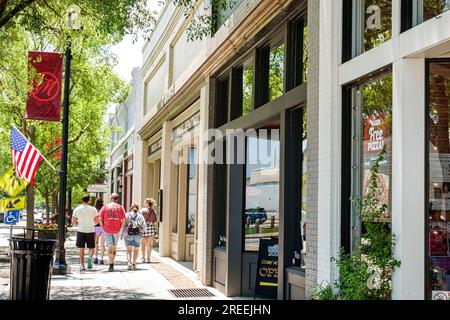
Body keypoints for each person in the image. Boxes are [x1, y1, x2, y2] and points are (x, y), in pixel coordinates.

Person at [99, 193, 126, 272]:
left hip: (107, 229)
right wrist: (120, 227)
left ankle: (111, 264)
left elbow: (100, 218)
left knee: (110, 246)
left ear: (110, 198)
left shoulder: (105, 207)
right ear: (117, 199)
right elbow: (124, 220)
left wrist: (102, 227)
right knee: (114, 246)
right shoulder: (120, 207)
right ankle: (112, 263)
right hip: (116, 230)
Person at [72, 195, 98, 271]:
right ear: (89, 200)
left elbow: (73, 221)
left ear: (82, 200)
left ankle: (82, 265)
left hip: (81, 230)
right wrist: (93, 223)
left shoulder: (77, 209)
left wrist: (79, 223)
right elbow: (97, 219)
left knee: (81, 248)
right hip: (90, 230)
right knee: (91, 247)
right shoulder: (93, 209)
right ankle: (89, 258)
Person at [121, 202, 146, 270]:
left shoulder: (127, 215)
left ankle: (129, 263)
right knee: (136, 249)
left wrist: (122, 234)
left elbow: (123, 225)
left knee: (129, 249)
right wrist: (142, 233)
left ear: (130, 208)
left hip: (128, 234)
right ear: (138, 208)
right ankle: (134, 263)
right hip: (138, 235)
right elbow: (144, 226)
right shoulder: (140, 216)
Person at [140, 198, 158, 263]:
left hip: (143, 227)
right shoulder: (153, 211)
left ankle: (143, 257)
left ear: (147, 203)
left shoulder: (142, 210)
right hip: (150, 228)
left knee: (143, 244)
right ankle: (148, 258)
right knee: (149, 244)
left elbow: (139, 219)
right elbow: (155, 221)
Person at [93, 197, 105, 264]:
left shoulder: (95, 210)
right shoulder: (104, 209)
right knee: (102, 243)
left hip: (97, 227)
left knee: (96, 243)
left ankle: (96, 257)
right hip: (103, 227)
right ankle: (102, 259)